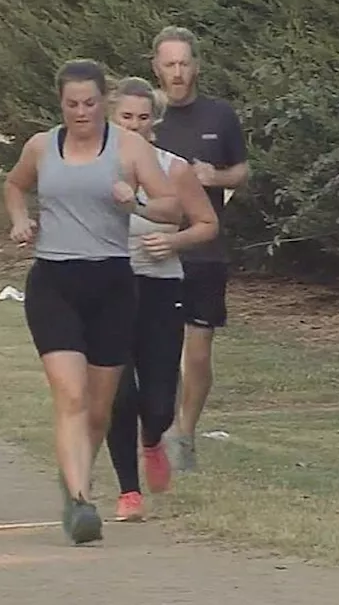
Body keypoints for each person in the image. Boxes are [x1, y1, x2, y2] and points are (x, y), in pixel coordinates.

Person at [4, 59, 179, 544]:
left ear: (106, 101)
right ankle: (81, 501)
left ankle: (73, 477)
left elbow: (172, 206)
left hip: (112, 284)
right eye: (71, 104)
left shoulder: (129, 149)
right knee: (72, 395)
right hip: (54, 282)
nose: (81, 112)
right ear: (60, 104)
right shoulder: (42, 146)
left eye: (90, 103)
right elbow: (15, 184)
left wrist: (135, 203)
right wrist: (20, 219)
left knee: (99, 409)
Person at [103, 77, 218, 522]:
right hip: (109, 283)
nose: (134, 125)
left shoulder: (173, 168)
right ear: (111, 117)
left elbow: (206, 224)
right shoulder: (93, 165)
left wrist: (173, 243)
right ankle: (127, 491)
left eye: (143, 117)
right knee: (118, 392)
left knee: (157, 396)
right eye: (125, 117)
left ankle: (152, 440)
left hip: (160, 285)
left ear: (157, 119)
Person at [150, 26, 250, 472]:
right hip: (156, 249)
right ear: (156, 67)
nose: (177, 73)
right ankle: (162, 428)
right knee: (158, 349)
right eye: (169, 64)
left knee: (200, 349)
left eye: (184, 63)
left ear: (197, 66)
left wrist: (216, 177)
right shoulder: (146, 119)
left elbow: (242, 170)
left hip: (206, 249)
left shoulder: (219, 116)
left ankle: (186, 433)